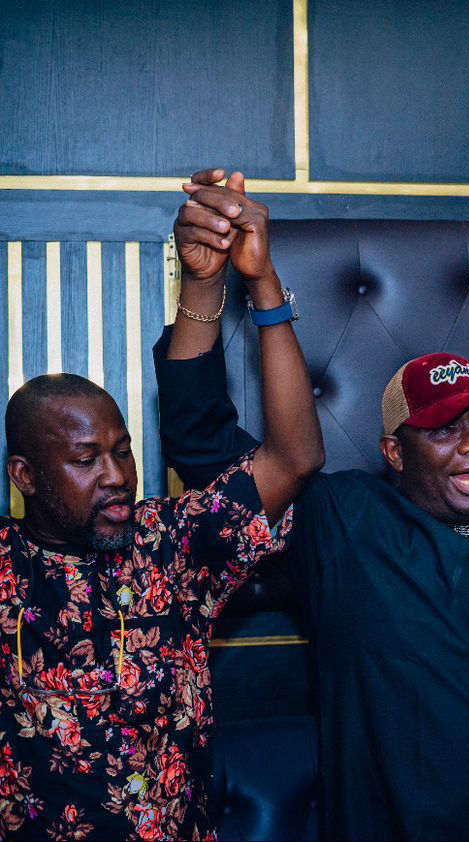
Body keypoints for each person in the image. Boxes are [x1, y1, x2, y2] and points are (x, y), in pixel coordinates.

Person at [155, 170, 469, 840]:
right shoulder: (346, 524)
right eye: (443, 429)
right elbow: (201, 442)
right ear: (394, 453)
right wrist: (205, 286)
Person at [0, 170, 322, 838]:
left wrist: (255, 284)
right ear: (24, 476)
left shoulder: (170, 543)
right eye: (86, 460)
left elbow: (294, 459)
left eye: (123, 451)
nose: (117, 475)